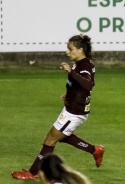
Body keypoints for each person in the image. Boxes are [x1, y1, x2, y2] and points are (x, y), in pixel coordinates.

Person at [12, 34, 105, 180]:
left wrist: (71, 72)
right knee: (62, 136)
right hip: (73, 108)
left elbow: (88, 84)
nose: (67, 52)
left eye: (70, 49)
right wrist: (69, 94)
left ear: (80, 50)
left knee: (50, 139)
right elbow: (80, 86)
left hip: (74, 113)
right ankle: (94, 150)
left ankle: (33, 172)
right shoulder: (82, 63)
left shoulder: (84, 65)